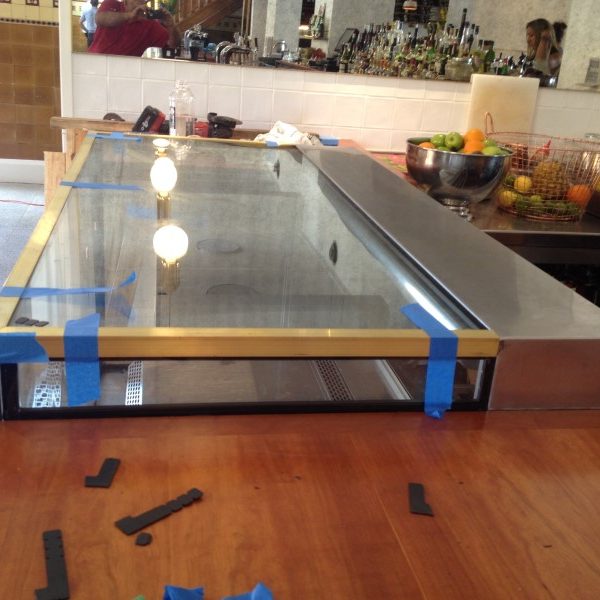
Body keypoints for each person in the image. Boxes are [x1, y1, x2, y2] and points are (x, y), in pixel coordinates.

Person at [89, 0, 181, 57]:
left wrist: (171, 26)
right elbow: (100, 19)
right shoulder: (112, 4)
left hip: (125, 72)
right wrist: (129, 16)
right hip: (94, 61)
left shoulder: (150, 25)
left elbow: (173, 45)